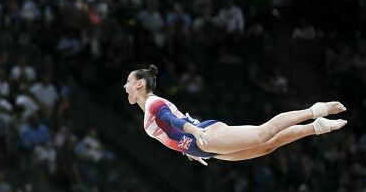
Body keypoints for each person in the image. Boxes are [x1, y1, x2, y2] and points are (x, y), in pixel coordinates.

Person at [124, 65, 347, 165]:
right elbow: (170, 131)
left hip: (204, 136)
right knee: (269, 145)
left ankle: (315, 110)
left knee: (263, 134)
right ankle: (316, 127)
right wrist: (188, 150)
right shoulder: (148, 112)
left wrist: (192, 131)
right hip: (203, 147)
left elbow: (173, 120)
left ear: (140, 83)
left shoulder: (153, 102)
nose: (125, 87)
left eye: (128, 82)